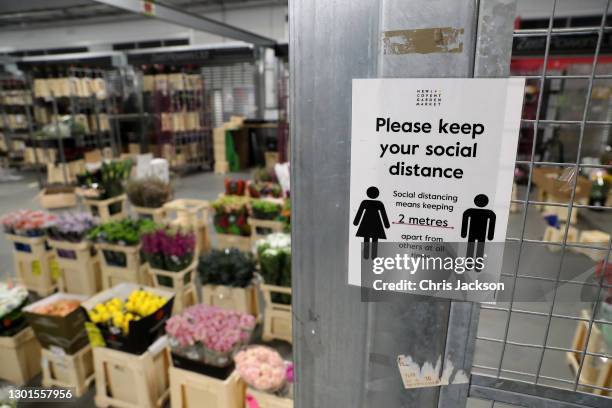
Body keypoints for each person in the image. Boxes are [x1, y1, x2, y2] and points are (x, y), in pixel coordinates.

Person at [353, 186, 390, 259]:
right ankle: (373, 256)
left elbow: (359, 213)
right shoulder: (378, 203)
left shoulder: (365, 202)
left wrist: (356, 222)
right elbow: (383, 215)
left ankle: (367, 256)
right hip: (376, 223)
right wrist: (386, 225)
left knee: (367, 239)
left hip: (366, 223)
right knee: (374, 240)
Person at [461, 194, 496, 269]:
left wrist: (464, 233)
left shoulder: (470, 211)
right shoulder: (489, 213)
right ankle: (478, 266)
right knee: (479, 250)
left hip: (472, 233)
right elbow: (492, 223)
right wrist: (490, 235)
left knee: (471, 249)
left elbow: (465, 220)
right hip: (481, 234)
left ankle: (469, 265)